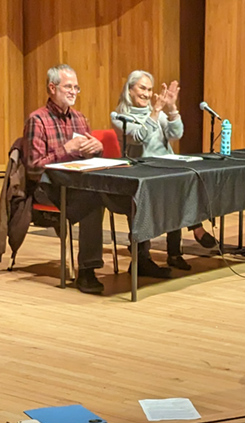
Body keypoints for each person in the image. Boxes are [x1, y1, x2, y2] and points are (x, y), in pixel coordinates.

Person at [110, 70, 218, 273]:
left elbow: (175, 134)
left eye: (150, 89)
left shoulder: (157, 114)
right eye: (142, 88)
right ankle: (146, 256)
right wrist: (155, 111)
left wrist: (171, 108)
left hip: (165, 165)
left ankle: (175, 253)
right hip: (142, 171)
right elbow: (138, 137)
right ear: (130, 89)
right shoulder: (120, 117)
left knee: (186, 180)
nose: (147, 94)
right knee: (167, 191)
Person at [23, 64, 113, 295]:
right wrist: (66, 149)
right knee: (93, 202)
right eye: (68, 87)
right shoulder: (37, 120)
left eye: (76, 87)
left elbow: (88, 153)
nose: (73, 91)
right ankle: (87, 271)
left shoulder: (80, 119)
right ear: (52, 88)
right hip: (46, 186)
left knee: (112, 192)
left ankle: (140, 257)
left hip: (76, 182)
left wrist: (98, 148)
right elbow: (33, 167)